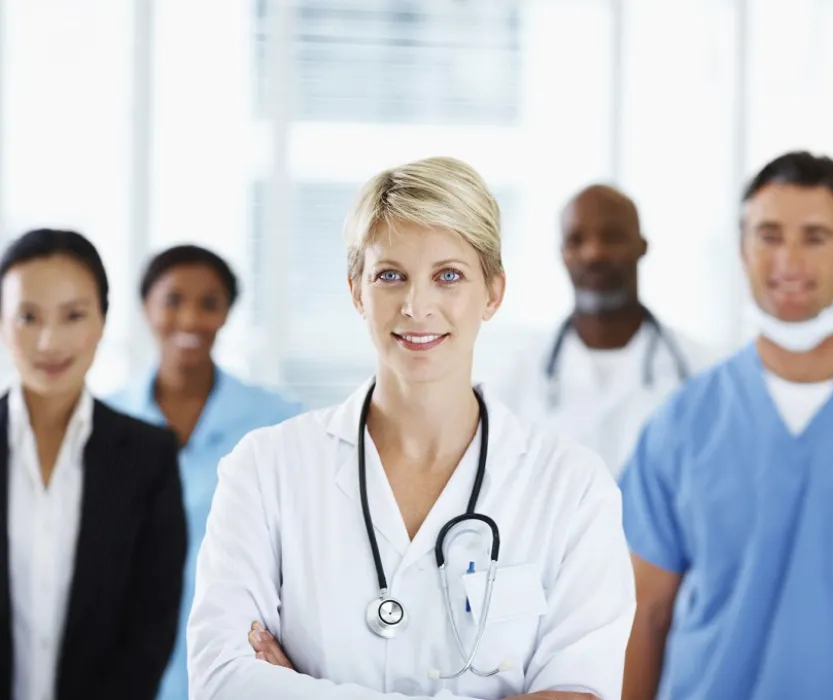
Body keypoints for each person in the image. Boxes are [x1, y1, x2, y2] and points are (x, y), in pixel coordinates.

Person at [186, 156, 635, 700]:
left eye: (449, 276)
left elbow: (579, 693)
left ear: (493, 293)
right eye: (390, 276)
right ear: (357, 290)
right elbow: (221, 681)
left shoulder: (572, 486)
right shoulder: (265, 469)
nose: (417, 306)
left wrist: (296, 689)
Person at [619, 151, 833, 699]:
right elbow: (645, 613)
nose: (789, 261)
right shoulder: (685, 423)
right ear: (743, 250)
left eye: (815, 238)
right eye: (769, 236)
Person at [105, 244, 300, 700]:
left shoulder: (278, 423)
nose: (191, 319)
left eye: (209, 303)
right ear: (146, 308)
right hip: (122, 652)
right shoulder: (104, 423)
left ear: (227, 313)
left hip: (242, 652)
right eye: (173, 300)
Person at [0, 229, 187, 700]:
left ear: (102, 320)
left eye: (73, 315)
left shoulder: (150, 456)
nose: (49, 341)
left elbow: (152, 623)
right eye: (28, 316)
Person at [493, 185, 717, 479]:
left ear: (642, 246)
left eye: (612, 237)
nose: (594, 253)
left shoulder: (701, 372)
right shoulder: (519, 378)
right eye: (576, 240)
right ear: (563, 254)